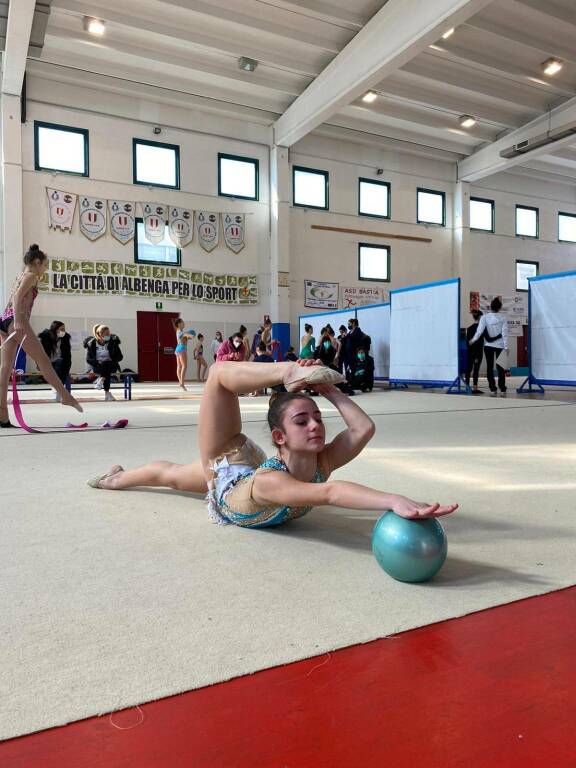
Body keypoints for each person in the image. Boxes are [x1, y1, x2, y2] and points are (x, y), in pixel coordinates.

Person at [88, 359, 458, 528]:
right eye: (303, 421)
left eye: (318, 418)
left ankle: (117, 476)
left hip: (255, 466)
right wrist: (392, 500)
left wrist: (328, 390)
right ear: (280, 437)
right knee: (168, 473)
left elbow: (363, 429)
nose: (316, 426)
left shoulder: (319, 462)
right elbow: (330, 495)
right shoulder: (271, 484)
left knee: (169, 474)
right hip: (230, 466)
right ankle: (114, 479)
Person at [0, 244, 82, 427]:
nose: (45, 268)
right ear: (37, 262)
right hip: (16, 320)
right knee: (44, 361)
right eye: (45, 265)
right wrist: (19, 321)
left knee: (5, 369)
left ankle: (2, 415)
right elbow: (17, 297)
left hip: (4, 320)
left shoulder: (20, 276)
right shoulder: (31, 276)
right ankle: (65, 396)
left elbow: (14, 296)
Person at [468, 297, 509, 397]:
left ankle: (492, 388)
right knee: (501, 368)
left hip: (488, 346)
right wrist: (507, 347)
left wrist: (473, 340)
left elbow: (479, 331)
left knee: (489, 368)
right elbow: (504, 333)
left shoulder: (484, 317)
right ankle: (502, 388)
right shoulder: (503, 318)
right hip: (500, 346)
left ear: (490, 307)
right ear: (500, 308)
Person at [84, 324, 123, 401]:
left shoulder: (113, 342)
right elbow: (88, 359)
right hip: (98, 366)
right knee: (105, 370)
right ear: (99, 334)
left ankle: (101, 379)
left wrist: (111, 359)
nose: (109, 335)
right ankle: (107, 392)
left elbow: (120, 357)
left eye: (109, 333)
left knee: (106, 364)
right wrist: (98, 361)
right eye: (106, 334)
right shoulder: (91, 344)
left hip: (111, 365)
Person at [38, 321, 72, 402]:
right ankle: (57, 388)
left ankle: (58, 391)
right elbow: (40, 352)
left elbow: (67, 353)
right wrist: (39, 364)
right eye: (61, 329)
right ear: (55, 329)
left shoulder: (66, 337)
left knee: (61, 366)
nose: (63, 331)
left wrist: (68, 363)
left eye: (64, 329)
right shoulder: (46, 336)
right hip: (48, 361)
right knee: (54, 373)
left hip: (61, 361)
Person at [173, 318, 195, 390]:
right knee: (184, 366)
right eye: (183, 322)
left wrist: (188, 337)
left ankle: (180, 382)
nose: (184, 323)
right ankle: (182, 383)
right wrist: (190, 335)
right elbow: (183, 335)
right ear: (179, 324)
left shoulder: (178, 331)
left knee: (179, 366)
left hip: (177, 349)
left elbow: (184, 337)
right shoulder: (180, 331)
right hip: (182, 348)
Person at [465, 310, 484, 394]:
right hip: (477, 352)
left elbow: (468, 342)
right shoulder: (481, 328)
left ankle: (467, 386)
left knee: (468, 369)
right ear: (480, 317)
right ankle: (475, 388)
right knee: (476, 370)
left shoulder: (469, 328)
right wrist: (476, 355)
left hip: (470, 352)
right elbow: (478, 343)